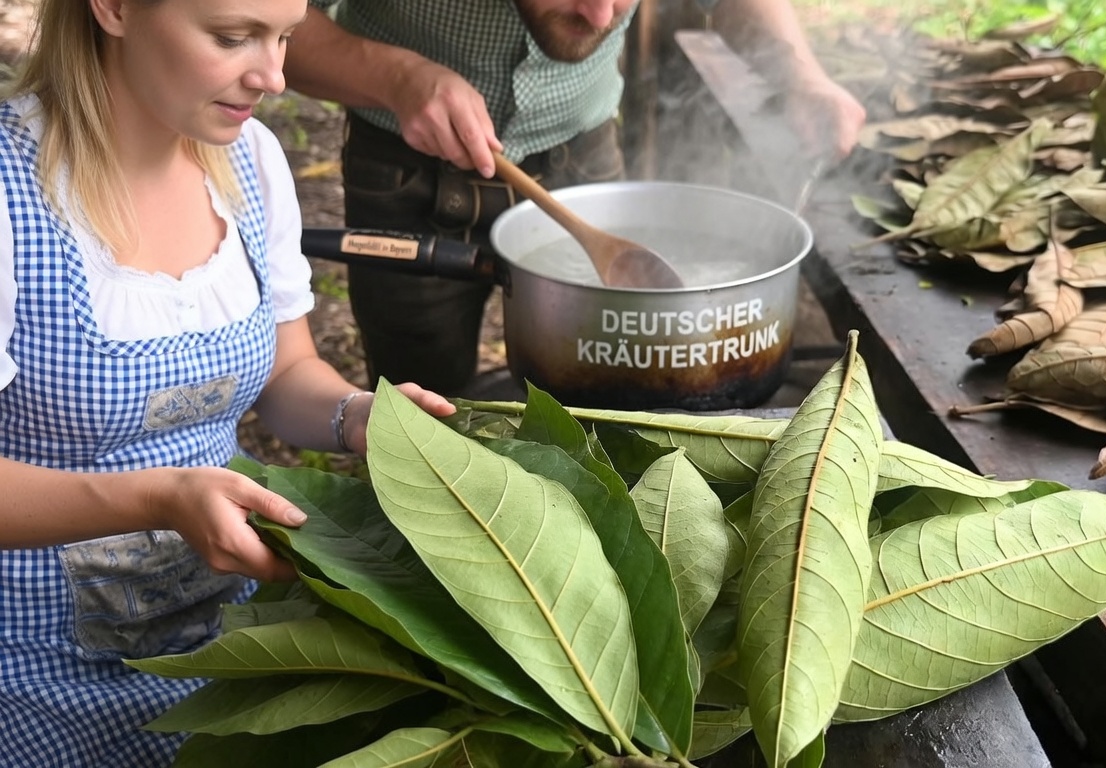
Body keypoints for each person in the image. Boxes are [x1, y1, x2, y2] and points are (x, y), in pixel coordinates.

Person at [0, 0, 455, 765]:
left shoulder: (250, 162)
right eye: (233, 37)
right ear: (114, 8)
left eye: (284, 38)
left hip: (227, 657)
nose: (273, 77)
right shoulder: (10, 193)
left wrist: (359, 415)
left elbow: (286, 371)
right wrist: (160, 497)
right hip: (32, 677)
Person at [282, 0, 867, 396]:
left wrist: (800, 77)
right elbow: (260, 21)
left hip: (583, 157)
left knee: (610, 397)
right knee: (420, 400)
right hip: (406, 164)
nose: (602, 15)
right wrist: (395, 77)